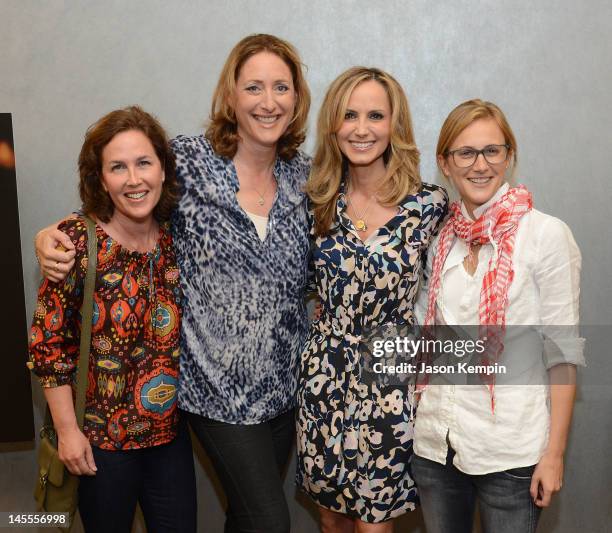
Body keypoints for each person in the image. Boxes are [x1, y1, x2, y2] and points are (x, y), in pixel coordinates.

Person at [35, 34, 312, 533]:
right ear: (231, 95)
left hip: (280, 393)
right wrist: (50, 237)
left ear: (297, 99)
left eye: (281, 88)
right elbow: (125, 186)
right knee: (272, 521)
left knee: (250, 516)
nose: (267, 101)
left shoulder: (306, 179)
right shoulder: (189, 160)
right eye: (253, 87)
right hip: (214, 393)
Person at [412, 99, 584, 533]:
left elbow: (562, 352)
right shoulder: (438, 237)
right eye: (465, 153)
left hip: (512, 451)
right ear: (444, 163)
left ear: (509, 156)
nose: (480, 165)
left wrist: (554, 454)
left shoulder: (545, 235)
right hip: (437, 443)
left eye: (492, 150)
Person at [29, 106, 197, 533]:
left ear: (163, 169)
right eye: (118, 167)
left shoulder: (179, 237)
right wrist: (68, 433)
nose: (134, 179)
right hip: (99, 446)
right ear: (101, 179)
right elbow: (48, 346)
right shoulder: (76, 242)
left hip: (170, 439)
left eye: (144, 163)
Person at [297, 67, 448, 532]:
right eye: (350, 115)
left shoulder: (428, 206)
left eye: (375, 116)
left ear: (394, 125)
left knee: (375, 523)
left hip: (391, 380)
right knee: (329, 518)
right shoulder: (315, 200)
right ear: (333, 125)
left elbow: (460, 281)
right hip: (324, 376)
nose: (362, 129)